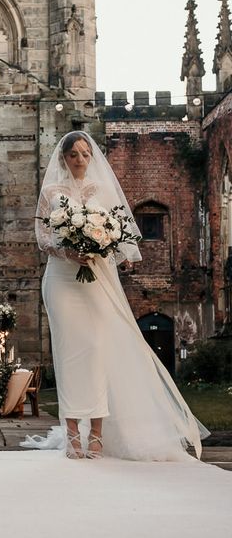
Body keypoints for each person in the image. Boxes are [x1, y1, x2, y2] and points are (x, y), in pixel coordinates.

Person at [28, 130, 207, 461]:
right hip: (60, 279)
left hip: (94, 277)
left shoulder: (101, 191)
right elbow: (41, 236)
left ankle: (96, 432)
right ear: (63, 159)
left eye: (85, 154)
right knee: (67, 352)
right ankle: (71, 432)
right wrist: (68, 252)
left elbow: (119, 232)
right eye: (73, 155)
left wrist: (98, 246)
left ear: (91, 157)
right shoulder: (51, 191)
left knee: (97, 349)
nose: (80, 160)